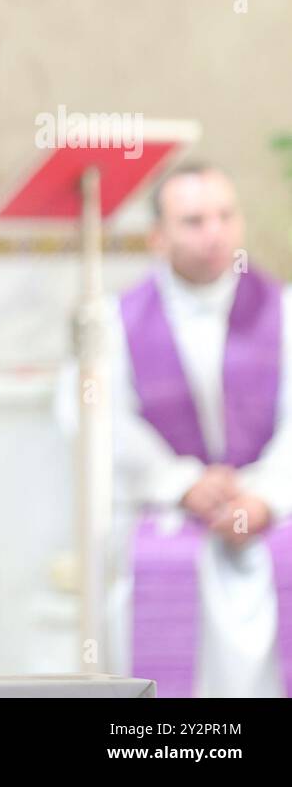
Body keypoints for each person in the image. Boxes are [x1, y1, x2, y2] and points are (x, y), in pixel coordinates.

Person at [105, 162, 292, 696]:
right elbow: (102, 420)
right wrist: (180, 483)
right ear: (158, 237)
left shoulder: (283, 310)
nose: (215, 233)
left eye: (225, 216)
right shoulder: (118, 322)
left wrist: (265, 497)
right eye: (194, 220)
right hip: (166, 515)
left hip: (270, 512)